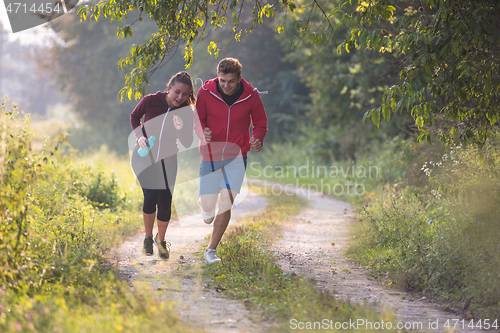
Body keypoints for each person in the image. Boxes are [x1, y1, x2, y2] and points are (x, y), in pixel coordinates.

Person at [195, 57, 268, 263]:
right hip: (210, 154)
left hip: (238, 156)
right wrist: (202, 132)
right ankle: (206, 206)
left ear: (239, 79)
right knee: (209, 207)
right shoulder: (206, 92)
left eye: (231, 81)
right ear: (217, 77)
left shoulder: (251, 95)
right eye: (222, 81)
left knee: (226, 201)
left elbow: (261, 123)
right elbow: (197, 119)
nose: (226, 86)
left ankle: (211, 251)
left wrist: (258, 138)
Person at [130, 71, 195, 259]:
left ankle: (161, 241)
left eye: (185, 95)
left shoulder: (185, 112)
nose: (180, 97)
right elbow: (134, 117)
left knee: (165, 203)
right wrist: (140, 137)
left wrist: (181, 128)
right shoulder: (151, 100)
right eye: (177, 92)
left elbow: (187, 142)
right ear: (169, 89)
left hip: (168, 161)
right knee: (150, 196)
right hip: (143, 157)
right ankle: (148, 238)